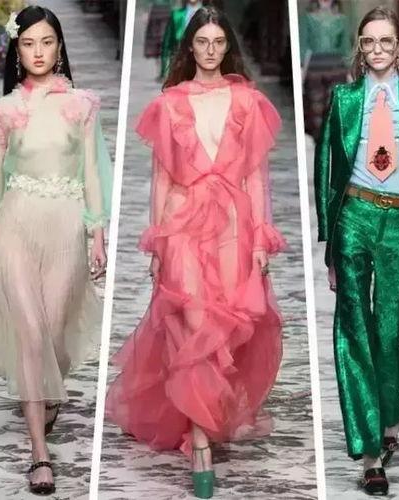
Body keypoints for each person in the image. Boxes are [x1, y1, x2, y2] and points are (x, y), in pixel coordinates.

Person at [106, 6, 285, 499]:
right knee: (191, 322)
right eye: (202, 42)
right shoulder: (169, 104)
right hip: (182, 222)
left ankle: (203, 416)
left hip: (232, 224)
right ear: (190, 46)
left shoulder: (247, 101)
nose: (210, 50)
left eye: (218, 42)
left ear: (228, 46)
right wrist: (157, 241)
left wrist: (260, 240)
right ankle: (200, 441)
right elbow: (162, 178)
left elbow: (256, 178)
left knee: (224, 326)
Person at [0, 6, 113, 495]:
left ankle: (50, 391)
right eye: (28, 43)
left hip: (65, 225)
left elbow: (92, 172)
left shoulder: (82, 106)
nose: (38, 52)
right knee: (29, 331)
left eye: (46, 42)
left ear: (60, 47)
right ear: (17, 51)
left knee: (55, 333)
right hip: (15, 226)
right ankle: (39, 454)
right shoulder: (4, 111)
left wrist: (97, 232)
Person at [314, 6, 399, 495]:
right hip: (353, 216)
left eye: (385, 41)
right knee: (353, 328)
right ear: (359, 46)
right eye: (368, 41)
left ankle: (389, 418)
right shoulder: (344, 99)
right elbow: (327, 173)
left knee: (389, 330)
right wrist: (331, 248)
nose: (376, 49)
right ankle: (371, 451)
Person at [299, 0, 350, 141]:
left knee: (333, 107)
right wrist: (302, 69)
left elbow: (345, 48)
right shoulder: (308, 18)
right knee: (317, 108)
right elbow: (304, 46)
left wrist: (350, 71)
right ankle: (322, 142)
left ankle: (329, 142)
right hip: (317, 68)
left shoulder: (342, 19)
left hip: (334, 67)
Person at [160, 0, 204, 79]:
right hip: (180, 68)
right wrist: (164, 70)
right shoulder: (176, 15)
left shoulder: (210, 15)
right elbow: (167, 44)